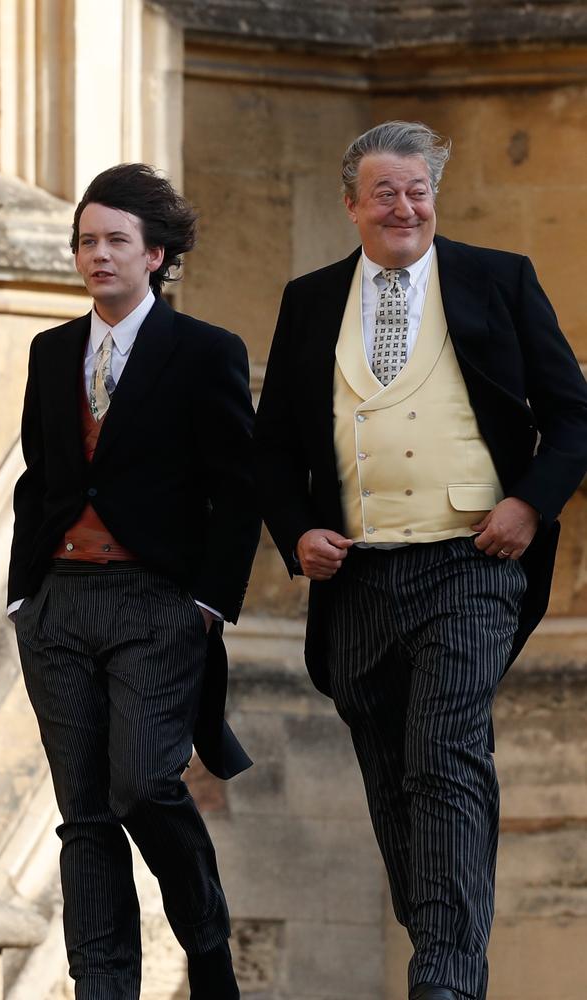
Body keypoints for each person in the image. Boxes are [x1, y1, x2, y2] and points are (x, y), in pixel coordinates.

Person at [254, 121, 587, 1000]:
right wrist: (296, 534)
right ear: (352, 203)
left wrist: (529, 503)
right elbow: (274, 448)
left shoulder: (499, 279)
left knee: (444, 751)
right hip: (358, 574)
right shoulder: (308, 298)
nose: (406, 207)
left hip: (472, 560)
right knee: (392, 769)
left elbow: (573, 412)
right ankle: (450, 956)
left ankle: (439, 975)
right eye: (387, 192)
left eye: (419, 190)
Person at [8, 163, 260, 1000]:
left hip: (156, 604)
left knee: (144, 783)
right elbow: (38, 478)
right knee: (83, 819)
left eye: (117, 240)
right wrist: (21, 595)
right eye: (87, 241)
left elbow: (239, 488)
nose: (98, 255)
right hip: (57, 606)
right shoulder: (50, 353)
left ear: (156, 254)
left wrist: (208, 604)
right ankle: (102, 988)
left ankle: (208, 945)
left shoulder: (206, 352)